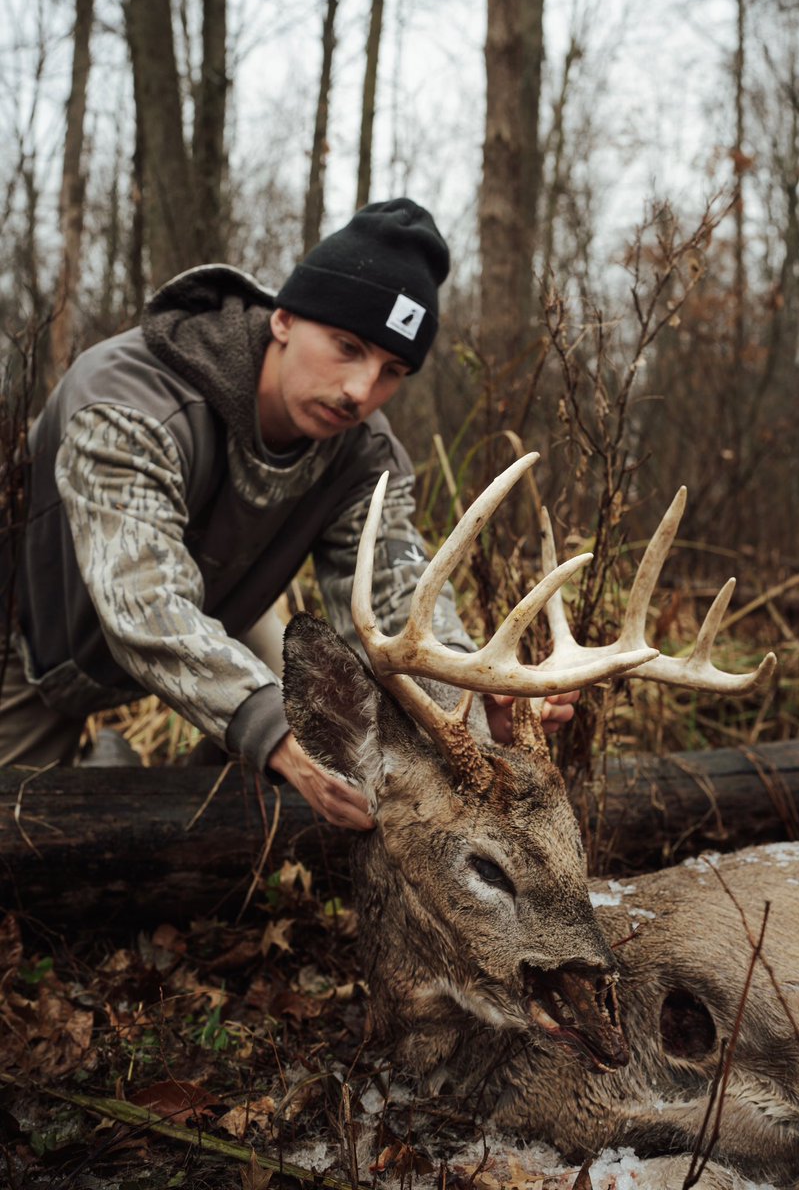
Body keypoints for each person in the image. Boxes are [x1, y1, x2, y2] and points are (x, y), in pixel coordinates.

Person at [0, 199, 575, 828]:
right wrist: (275, 735)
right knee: (24, 834)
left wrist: (471, 699)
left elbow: (399, 593)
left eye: (391, 371)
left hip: (223, 611)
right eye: (347, 347)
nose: (361, 391)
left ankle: (190, 800)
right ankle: (111, 763)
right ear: (283, 317)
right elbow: (143, 603)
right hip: (34, 638)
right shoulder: (127, 400)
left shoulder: (365, 454)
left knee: (334, 732)